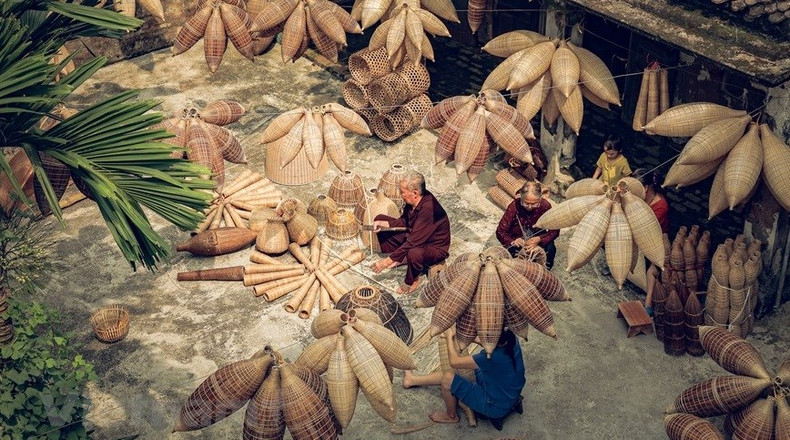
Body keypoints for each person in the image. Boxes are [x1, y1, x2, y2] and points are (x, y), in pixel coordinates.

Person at [402, 328, 526, 424]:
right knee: (466, 371)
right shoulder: (511, 339)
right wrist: (467, 337)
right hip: (510, 392)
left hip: (494, 406)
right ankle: (412, 380)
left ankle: (451, 416)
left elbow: (454, 362)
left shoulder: (490, 358)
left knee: (448, 378)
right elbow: (491, 345)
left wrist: (450, 338)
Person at [370, 172, 451, 294]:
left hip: (434, 247)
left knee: (414, 253)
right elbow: (405, 221)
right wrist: (384, 224)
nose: (401, 195)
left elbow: (414, 242)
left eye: (403, 192)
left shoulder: (429, 209)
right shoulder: (412, 202)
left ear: (415, 193)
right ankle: (403, 258)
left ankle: (413, 280)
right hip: (416, 235)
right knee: (380, 219)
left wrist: (387, 261)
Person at [495, 181, 559, 269]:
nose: (529, 207)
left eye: (534, 204)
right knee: (512, 262)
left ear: (540, 198)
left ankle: (544, 273)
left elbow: (555, 230)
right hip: (518, 241)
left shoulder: (545, 206)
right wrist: (513, 241)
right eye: (525, 203)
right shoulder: (514, 206)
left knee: (550, 249)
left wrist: (539, 239)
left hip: (537, 238)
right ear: (520, 197)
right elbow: (500, 231)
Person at [633, 169, 670, 317]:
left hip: (656, 241)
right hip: (640, 235)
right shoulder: (639, 199)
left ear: (646, 188)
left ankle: (648, 302)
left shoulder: (661, 206)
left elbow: (644, 227)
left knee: (654, 268)